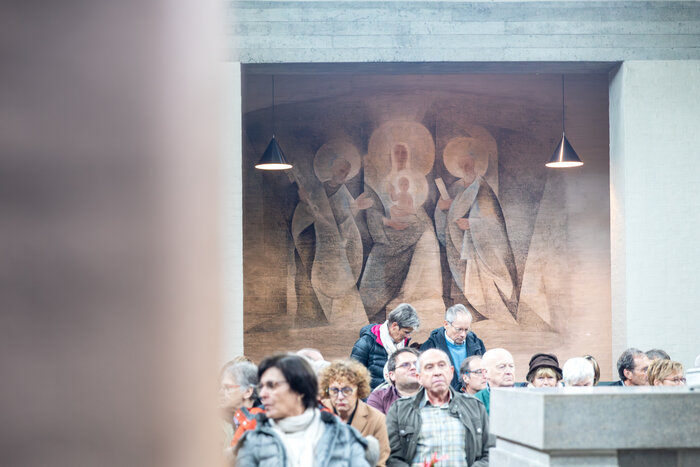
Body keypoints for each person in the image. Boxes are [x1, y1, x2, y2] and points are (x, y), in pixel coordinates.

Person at [235, 354, 372, 467]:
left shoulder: (343, 436)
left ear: (300, 390)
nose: (263, 394)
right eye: (262, 386)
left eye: (272, 385)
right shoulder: (252, 436)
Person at [434, 145, 518, 324]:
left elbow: (494, 222)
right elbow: (445, 211)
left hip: (481, 246)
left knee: (480, 280)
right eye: (462, 162)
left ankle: (490, 311)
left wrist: (472, 224)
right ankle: (471, 312)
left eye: (469, 161)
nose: (465, 165)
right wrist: (442, 209)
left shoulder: (482, 188)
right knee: (463, 280)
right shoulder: (455, 188)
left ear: (474, 163)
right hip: (459, 243)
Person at [386, 349, 492, 466]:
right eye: (429, 367)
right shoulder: (399, 409)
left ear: (451, 372)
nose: (437, 372)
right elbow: (391, 457)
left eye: (442, 365)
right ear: (419, 377)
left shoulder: (475, 406)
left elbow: (490, 453)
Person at [319, 360, 390, 466]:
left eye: (347, 390)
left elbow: (380, 463)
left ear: (359, 390)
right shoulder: (317, 412)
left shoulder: (377, 419)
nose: (340, 397)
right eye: (334, 390)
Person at [351, 303, 420, 389]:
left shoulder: (403, 343)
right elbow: (352, 378)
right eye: (406, 332)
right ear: (394, 326)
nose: (408, 336)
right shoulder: (365, 343)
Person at [419, 304, 486, 391]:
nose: (463, 335)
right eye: (459, 329)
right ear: (446, 324)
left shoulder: (477, 344)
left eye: (466, 330)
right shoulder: (430, 347)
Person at [219, 359, 262, 449]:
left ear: (248, 391)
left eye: (228, 388)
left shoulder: (265, 421)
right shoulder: (215, 424)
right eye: (221, 387)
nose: (220, 393)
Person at [367, 348, 421, 415]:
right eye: (405, 365)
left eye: (417, 364)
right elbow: (376, 424)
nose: (413, 367)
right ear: (392, 375)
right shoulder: (379, 397)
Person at [473, 348, 514, 414]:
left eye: (511, 366)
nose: (508, 371)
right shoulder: (474, 402)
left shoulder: (526, 398)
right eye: (502, 367)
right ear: (485, 372)